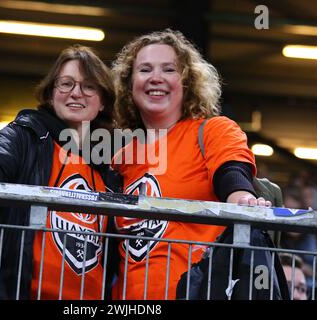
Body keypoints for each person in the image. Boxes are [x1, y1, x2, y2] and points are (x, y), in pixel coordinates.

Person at [0, 45, 118, 299]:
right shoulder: (28, 134)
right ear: (51, 94)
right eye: (66, 84)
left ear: (102, 102)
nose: (76, 93)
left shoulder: (112, 162)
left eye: (89, 86)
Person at [111, 29, 271, 300]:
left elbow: (232, 173)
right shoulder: (120, 158)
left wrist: (243, 198)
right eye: (145, 69)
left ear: (188, 82)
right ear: (129, 84)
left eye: (169, 69)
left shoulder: (213, 131)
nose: (156, 78)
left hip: (198, 293)